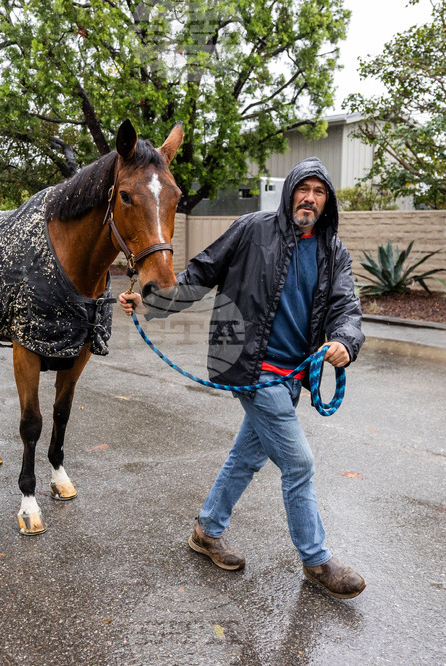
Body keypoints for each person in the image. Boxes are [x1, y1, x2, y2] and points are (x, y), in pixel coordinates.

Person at [118, 157, 366, 599]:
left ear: (327, 201)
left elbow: (345, 307)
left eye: (319, 192)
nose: (309, 198)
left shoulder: (334, 252)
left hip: (293, 375)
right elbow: (202, 272)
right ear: (290, 191)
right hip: (252, 367)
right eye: (303, 189)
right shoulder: (254, 229)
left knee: (247, 456)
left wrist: (345, 341)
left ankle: (206, 531)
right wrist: (152, 300)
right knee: (299, 464)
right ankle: (317, 560)